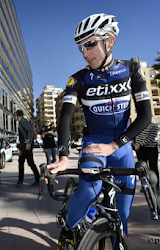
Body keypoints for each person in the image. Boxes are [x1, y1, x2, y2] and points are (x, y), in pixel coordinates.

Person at [47, 13, 152, 246]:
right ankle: (68, 229)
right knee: (89, 192)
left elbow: (146, 115)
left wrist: (115, 145)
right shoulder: (79, 79)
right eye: (80, 47)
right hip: (93, 144)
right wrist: (63, 156)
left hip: (121, 148)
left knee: (123, 218)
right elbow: (65, 117)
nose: (84, 53)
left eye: (90, 44)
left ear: (109, 41)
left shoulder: (131, 71)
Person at [16, 109, 40, 187]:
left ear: (17, 115)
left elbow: (30, 130)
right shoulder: (21, 121)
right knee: (21, 163)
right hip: (23, 145)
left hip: (26, 145)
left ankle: (38, 180)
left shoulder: (23, 121)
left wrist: (28, 143)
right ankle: (20, 181)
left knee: (30, 163)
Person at [133, 122, 159, 192]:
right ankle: (145, 186)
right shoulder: (137, 124)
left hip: (151, 149)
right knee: (142, 169)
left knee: (153, 168)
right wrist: (134, 144)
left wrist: (139, 144)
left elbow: (151, 137)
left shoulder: (154, 125)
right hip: (140, 150)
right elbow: (134, 134)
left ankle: (156, 186)